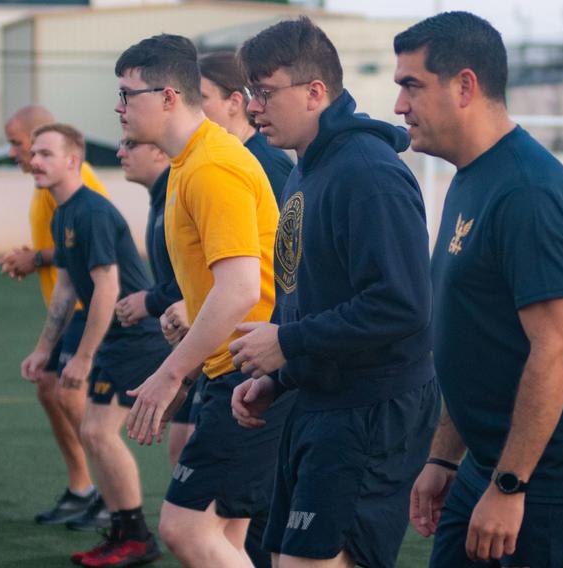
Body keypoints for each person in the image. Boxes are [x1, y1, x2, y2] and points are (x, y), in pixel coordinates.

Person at [393, 12, 563, 567]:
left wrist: (508, 488)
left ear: (464, 86)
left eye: (412, 85)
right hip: (493, 458)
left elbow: (557, 348)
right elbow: (474, 340)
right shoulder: (471, 176)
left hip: (559, 471)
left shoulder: (526, 191)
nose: (399, 106)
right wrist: (443, 458)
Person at [229, 17, 440, 568]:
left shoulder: (368, 173)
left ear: (315, 91)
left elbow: (402, 306)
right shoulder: (308, 170)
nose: (253, 107)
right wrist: (280, 377)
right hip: (321, 398)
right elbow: (319, 296)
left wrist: (289, 344)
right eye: (252, 92)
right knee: (285, 559)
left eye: (266, 92)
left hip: (372, 406)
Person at [115, 34, 292, 567]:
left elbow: (239, 288)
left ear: (169, 96)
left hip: (251, 374)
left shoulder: (213, 166)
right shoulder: (188, 162)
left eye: (129, 94)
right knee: (228, 538)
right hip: (235, 371)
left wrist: (171, 374)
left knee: (186, 529)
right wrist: (191, 371)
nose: (119, 108)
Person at [20, 124, 171, 567]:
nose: (35, 161)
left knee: (100, 432)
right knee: (93, 430)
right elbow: (66, 290)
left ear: (73, 161)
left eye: (46, 153)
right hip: (117, 336)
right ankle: (125, 530)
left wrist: (83, 357)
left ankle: (135, 536)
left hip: (138, 336)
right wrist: (44, 350)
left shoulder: (92, 211)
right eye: (34, 153)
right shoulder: (62, 213)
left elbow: (107, 288)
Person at [198, 49, 296, 568]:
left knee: (216, 523)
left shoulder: (264, 164)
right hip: (235, 353)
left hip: (260, 356)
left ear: (234, 103)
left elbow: (280, 267)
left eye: (203, 98)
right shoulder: (208, 162)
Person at [0, 105, 111, 529]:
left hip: (89, 307)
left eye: (16, 143)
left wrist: (35, 258)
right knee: (49, 387)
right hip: (68, 309)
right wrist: (36, 258)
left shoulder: (76, 185)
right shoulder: (43, 184)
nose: (13, 152)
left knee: (68, 392)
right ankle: (83, 488)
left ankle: (112, 496)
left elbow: (96, 245)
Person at [111, 138, 188, 467]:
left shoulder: (179, 192)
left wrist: (151, 301)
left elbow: (201, 281)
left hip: (216, 349)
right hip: (193, 349)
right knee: (181, 451)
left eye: (130, 144)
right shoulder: (162, 199)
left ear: (160, 151)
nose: (120, 153)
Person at [199, 51, 294, 201]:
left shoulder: (268, 163)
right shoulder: (216, 157)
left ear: (234, 102)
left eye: (201, 98)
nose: (192, 107)